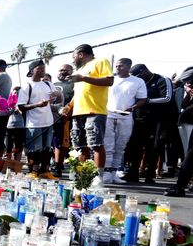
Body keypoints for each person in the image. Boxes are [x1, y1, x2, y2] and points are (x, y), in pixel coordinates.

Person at [68, 44, 114, 187]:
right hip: (78, 112)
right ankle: (83, 176)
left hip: (94, 111)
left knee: (96, 144)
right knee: (80, 146)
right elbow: (79, 94)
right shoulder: (80, 71)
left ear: (81, 54)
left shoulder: (100, 61)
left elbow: (109, 80)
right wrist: (68, 107)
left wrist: (84, 78)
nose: (73, 59)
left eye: (74, 56)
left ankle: (98, 177)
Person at [126, 64, 177, 183]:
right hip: (140, 118)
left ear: (144, 71)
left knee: (153, 147)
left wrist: (146, 101)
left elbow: (167, 98)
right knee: (135, 145)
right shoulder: (138, 82)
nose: (138, 78)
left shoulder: (162, 80)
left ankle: (150, 175)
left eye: (139, 75)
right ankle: (133, 173)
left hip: (158, 119)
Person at [103, 58, 147, 184]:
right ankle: (106, 173)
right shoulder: (110, 79)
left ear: (128, 67)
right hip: (108, 115)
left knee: (121, 146)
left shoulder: (137, 81)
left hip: (126, 116)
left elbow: (142, 99)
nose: (117, 68)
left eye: (120, 66)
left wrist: (133, 107)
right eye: (116, 66)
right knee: (108, 146)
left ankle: (114, 173)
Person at [18, 60, 57, 179]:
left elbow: (57, 98)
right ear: (31, 71)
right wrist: (37, 105)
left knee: (47, 149)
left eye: (43, 68)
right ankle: (33, 171)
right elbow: (21, 106)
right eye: (39, 68)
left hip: (48, 122)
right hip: (33, 123)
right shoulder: (27, 86)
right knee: (34, 150)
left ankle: (44, 171)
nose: (42, 70)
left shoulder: (48, 84)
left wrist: (57, 97)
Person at [165, 67, 193, 196]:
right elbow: (183, 105)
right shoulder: (190, 92)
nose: (187, 85)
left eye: (188, 82)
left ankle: (180, 186)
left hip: (191, 125)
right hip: (187, 124)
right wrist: (189, 94)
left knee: (190, 156)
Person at [52, 64, 75, 176]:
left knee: (67, 144)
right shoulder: (53, 85)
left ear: (71, 71)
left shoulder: (75, 84)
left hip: (69, 118)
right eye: (60, 70)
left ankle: (67, 168)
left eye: (65, 70)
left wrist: (68, 111)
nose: (62, 72)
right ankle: (56, 165)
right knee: (56, 143)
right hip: (54, 118)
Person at [6, 87, 25, 161]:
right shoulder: (9, 102)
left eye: (17, 92)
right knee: (8, 146)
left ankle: (17, 163)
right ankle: (8, 163)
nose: (16, 94)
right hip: (10, 126)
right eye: (14, 92)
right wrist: (12, 107)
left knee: (19, 146)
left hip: (20, 126)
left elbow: (25, 113)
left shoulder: (23, 102)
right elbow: (7, 112)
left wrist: (20, 109)